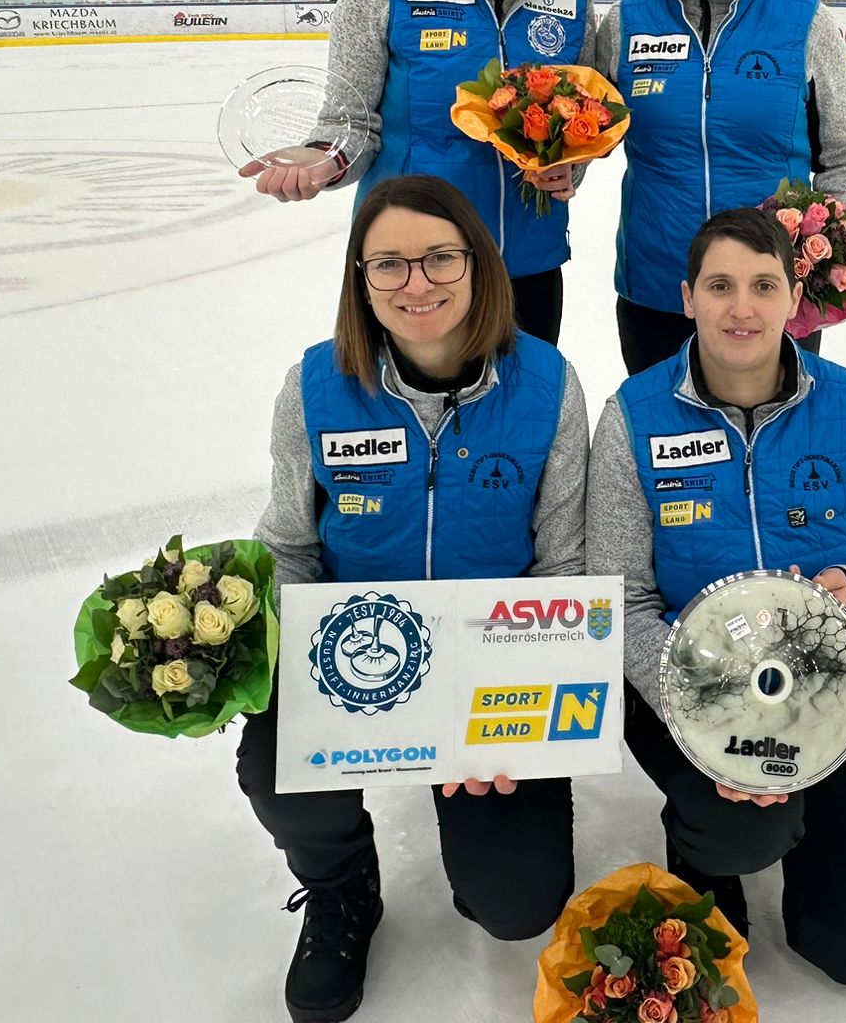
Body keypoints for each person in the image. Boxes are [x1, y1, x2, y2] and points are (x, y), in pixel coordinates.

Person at [238, 174, 590, 1023]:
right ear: (359, 278)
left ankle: (495, 831)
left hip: (490, 676)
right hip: (356, 661)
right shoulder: (316, 386)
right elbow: (288, 545)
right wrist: (271, 661)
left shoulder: (546, 385)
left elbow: (563, 568)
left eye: (439, 258)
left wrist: (524, 718)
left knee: (515, 909)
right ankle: (340, 886)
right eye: (387, 264)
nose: (416, 283)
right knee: (270, 765)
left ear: (478, 266)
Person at [586, 207, 846, 987]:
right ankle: (703, 841)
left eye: (762, 286)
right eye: (719, 285)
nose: (740, 308)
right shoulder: (633, 417)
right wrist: (700, 712)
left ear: (795, 299)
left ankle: (819, 817)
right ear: (687, 297)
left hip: (835, 690)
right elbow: (621, 598)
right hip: (693, 690)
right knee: (737, 832)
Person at [240, 0, 595, 344]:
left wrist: (568, 168)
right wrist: (322, 160)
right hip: (413, 272)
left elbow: (583, 123)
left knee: (523, 426)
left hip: (529, 265)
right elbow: (348, 125)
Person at [592, 0, 846, 374]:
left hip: (768, 297)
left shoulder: (805, 20)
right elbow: (584, 130)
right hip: (657, 290)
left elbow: (844, 155)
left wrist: (828, 252)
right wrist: (558, 172)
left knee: (771, 449)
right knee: (663, 450)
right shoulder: (625, 22)